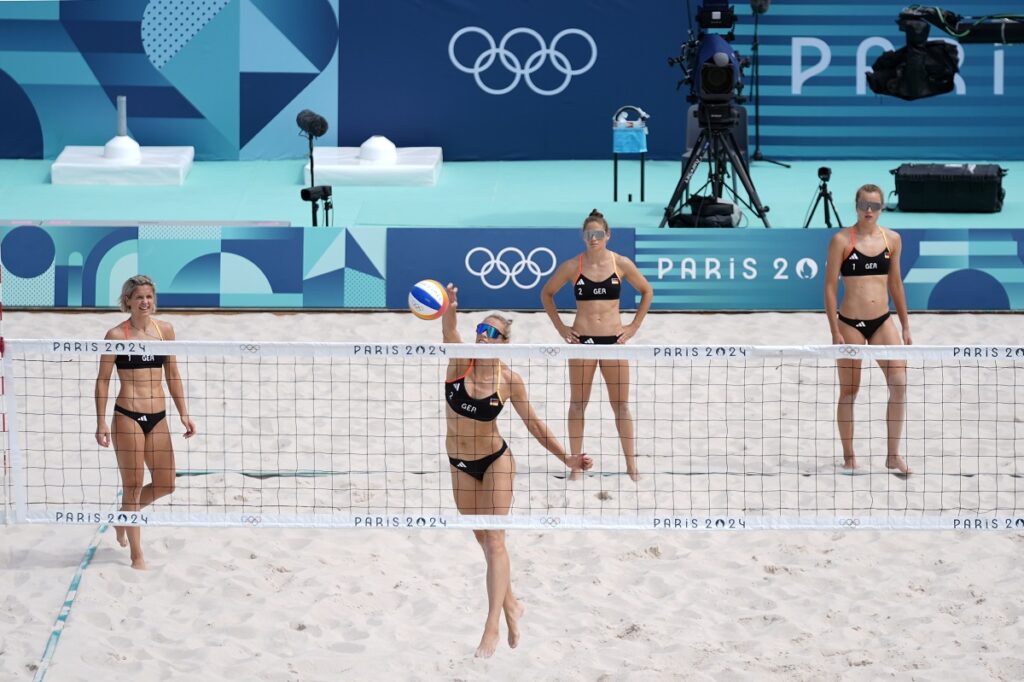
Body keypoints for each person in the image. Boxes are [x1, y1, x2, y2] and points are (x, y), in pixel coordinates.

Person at [441, 283, 592, 658]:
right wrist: (450, 309)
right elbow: (449, 331)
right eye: (481, 329)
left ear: (504, 342)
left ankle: (491, 626)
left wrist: (567, 460)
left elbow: (536, 426)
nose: (483, 335)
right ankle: (511, 605)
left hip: (496, 461)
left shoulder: (509, 381)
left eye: (492, 332)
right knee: (483, 542)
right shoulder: (461, 362)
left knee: (495, 541)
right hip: (459, 463)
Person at [540, 209, 654, 481]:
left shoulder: (621, 263)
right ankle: (576, 466)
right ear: (583, 236)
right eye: (589, 234)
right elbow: (546, 293)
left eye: (598, 234)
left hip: (614, 341)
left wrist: (634, 326)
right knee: (578, 404)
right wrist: (561, 328)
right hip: (582, 341)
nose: (593, 238)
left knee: (622, 406)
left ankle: (631, 465)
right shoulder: (572, 266)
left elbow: (647, 291)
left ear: (607, 235)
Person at [94, 275, 197, 569]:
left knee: (166, 483)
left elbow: (173, 375)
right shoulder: (116, 335)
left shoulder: (164, 330)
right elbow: (103, 381)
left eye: (149, 297)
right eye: (139, 297)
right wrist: (101, 422)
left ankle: (124, 516)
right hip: (127, 415)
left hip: (158, 416)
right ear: (127, 301)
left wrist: (184, 413)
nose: (145, 302)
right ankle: (136, 554)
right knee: (134, 485)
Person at [824, 184, 912, 475]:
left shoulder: (893, 239)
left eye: (875, 205)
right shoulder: (841, 240)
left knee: (899, 385)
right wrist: (834, 328)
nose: (869, 211)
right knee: (850, 391)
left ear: (882, 207)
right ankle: (849, 456)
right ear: (856, 205)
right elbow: (828, 287)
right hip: (849, 323)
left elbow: (896, 285)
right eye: (864, 205)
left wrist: (905, 324)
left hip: (882, 321)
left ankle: (893, 456)